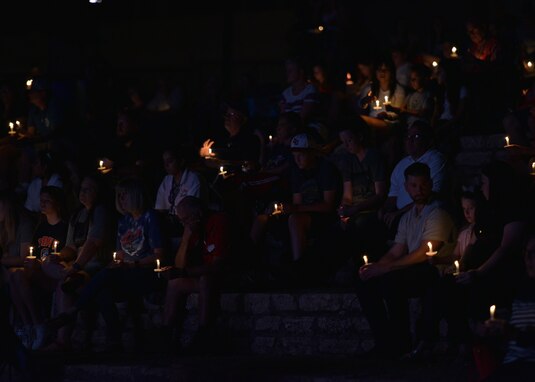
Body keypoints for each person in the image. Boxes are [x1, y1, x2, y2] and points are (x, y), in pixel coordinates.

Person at [47, 177, 166, 351]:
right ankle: (114, 339)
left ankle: (72, 312)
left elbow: (160, 256)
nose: (121, 200)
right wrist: (116, 264)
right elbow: (119, 254)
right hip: (126, 273)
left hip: (146, 272)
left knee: (106, 276)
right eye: (118, 196)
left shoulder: (150, 217)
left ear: (135, 195)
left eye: (124, 195)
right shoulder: (123, 222)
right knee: (103, 289)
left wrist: (133, 264)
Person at [356, 162, 457, 359]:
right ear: (406, 187)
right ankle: (384, 341)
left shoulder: (438, 213)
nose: (418, 190)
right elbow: (396, 251)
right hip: (412, 268)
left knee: (391, 281)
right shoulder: (408, 216)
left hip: (434, 270)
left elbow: (424, 252)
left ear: (430, 183)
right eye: (413, 185)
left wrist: (386, 269)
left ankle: (400, 341)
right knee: (365, 283)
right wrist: (375, 267)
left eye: (422, 185)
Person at [42, 172, 115, 352]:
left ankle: (62, 340)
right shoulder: (78, 215)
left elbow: (93, 243)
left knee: (64, 285)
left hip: (95, 267)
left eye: (88, 190)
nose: (83, 193)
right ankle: (68, 277)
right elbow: (71, 247)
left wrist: (76, 267)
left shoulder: (100, 212)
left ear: (98, 192)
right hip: (75, 267)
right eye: (81, 189)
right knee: (47, 264)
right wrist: (58, 257)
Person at [161, 196, 233, 353]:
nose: (184, 224)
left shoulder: (218, 222)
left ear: (198, 214)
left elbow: (217, 265)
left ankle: (204, 332)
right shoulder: (193, 229)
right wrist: (186, 238)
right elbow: (180, 265)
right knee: (174, 284)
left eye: (186, 219)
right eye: (181, 220)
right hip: (204, 275)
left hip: (230, 275)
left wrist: (184, 271)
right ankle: (167, 334)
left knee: (206, 280)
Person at [9, 186, 68, 350]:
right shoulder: (40, 228)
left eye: (46, 200)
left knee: (23, 272)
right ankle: (31, 325)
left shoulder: (64, 227)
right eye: (41, 200)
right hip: (36, 272)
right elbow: (32, 252)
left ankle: (39, 326)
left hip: (50, 275)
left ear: (56, 203)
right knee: (15, 275)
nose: (42, 204)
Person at [475, 230, 535, 381]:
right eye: (526, 252)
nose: (528, 258)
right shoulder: (523, 290)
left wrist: (511, 332)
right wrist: (490, 332)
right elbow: (514, 341)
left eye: (534, 254)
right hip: (513, 364)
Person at [379, 120, 447, 237]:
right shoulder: (401, 164)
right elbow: (393, 195)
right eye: (408, 137)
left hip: (422, 211)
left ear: (427, 140)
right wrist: (384, 209)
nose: (410, 141)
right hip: (400, 213)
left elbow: (432, 194)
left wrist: (398, 213)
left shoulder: (435, 159)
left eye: (416, 136)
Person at [333, 114, 388, 259]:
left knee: (359, 225)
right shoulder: (347, 159)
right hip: (354, 209)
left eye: (349, 140)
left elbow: (380, 194)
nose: (346, 145)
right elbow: (347, 194)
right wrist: (343, 210)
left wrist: (355, 209)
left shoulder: (374, 157)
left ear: (360, 137)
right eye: (343, 141)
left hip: (369, 209)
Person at [154, 145, 207, 252]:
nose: (166, 165)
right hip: (170, 227)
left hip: (188, 225)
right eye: (164, 161)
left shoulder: (193, 178)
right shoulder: (167, 180)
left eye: (170, 161)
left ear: (181, 161)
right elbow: (160, 208)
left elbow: (191, 209)